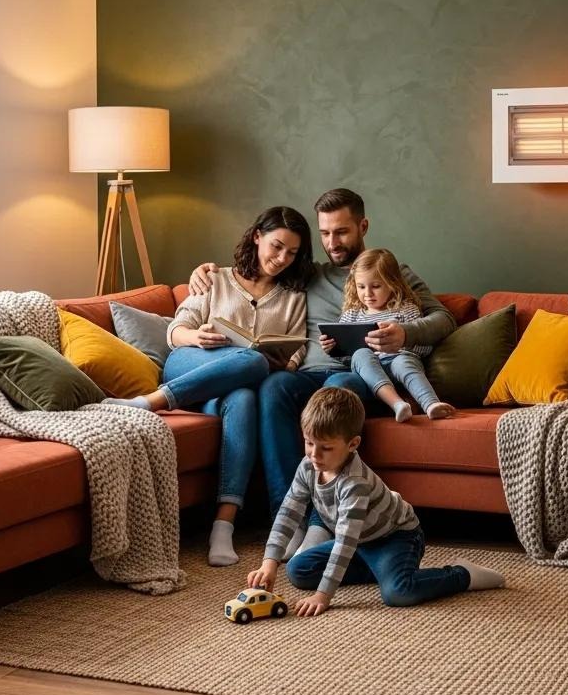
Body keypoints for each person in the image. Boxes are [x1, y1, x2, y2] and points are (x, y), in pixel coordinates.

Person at [189, 188, 455, 522]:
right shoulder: (307, 273)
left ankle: (323, 520)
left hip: (359, 376)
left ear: (363, 226)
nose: (333, 243)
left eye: (342, 232)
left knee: (337, 390)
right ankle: (287, 518)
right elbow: (255, 268)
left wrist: (405, 333)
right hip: (305, 375)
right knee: (273, 388)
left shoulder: (389, 271)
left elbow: (444, 318)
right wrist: (206, 271)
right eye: (326, 233)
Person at [108, 206, 314, 567]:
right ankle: (150, 402)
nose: (282, 259)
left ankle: (223, 525)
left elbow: (296, 347)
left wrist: (287, 362)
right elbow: (175, 330)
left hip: (228, 389)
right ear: (257, 237)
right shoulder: (214, 278)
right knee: (251, 361)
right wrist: (195, 336)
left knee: (245, 397)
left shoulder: (293, 296)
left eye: (292, 253)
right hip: (188, 366)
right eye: (277, 246)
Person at [246, 388, 504, 616]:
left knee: (398, 593)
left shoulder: (354, 483)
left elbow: (345, 542)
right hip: (359, 542)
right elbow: (289, 510)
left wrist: (323, 595)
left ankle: (462, 574)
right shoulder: (308, 466)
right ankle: (380, 570)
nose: (314, 454)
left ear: (353, 444)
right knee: (298, 571)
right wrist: (269, 563)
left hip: (396, 537)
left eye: (325, 447)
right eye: (309, 443)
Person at [327, 248, 455, 422]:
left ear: (392, 283)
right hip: (369, 369)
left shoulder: (405, 310)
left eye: (376, 286)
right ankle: (397, 404)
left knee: (403, 362)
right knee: (361, 354)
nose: (367, 294)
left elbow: (424, 347)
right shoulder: (352, 315)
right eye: (361, 286)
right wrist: (333, 348)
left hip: (399, 360)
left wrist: (403, 341)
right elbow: (348, 357)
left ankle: (431, 404)